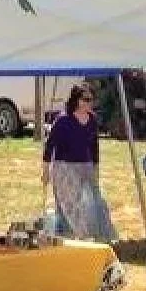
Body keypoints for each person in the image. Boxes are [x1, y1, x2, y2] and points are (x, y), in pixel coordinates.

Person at [42, 84, 119, 241]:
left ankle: (100, 236)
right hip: (65, 168)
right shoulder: (62, 120)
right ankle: (72, 237)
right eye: (86, 99)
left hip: (86, 166)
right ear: (76, 100)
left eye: (91, 99)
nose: (89, 103)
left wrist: (96, 169)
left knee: (96, 202)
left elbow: (94, 147)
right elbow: (49, 147)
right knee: (70, 205)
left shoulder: (92, 120)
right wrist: (45, 171)